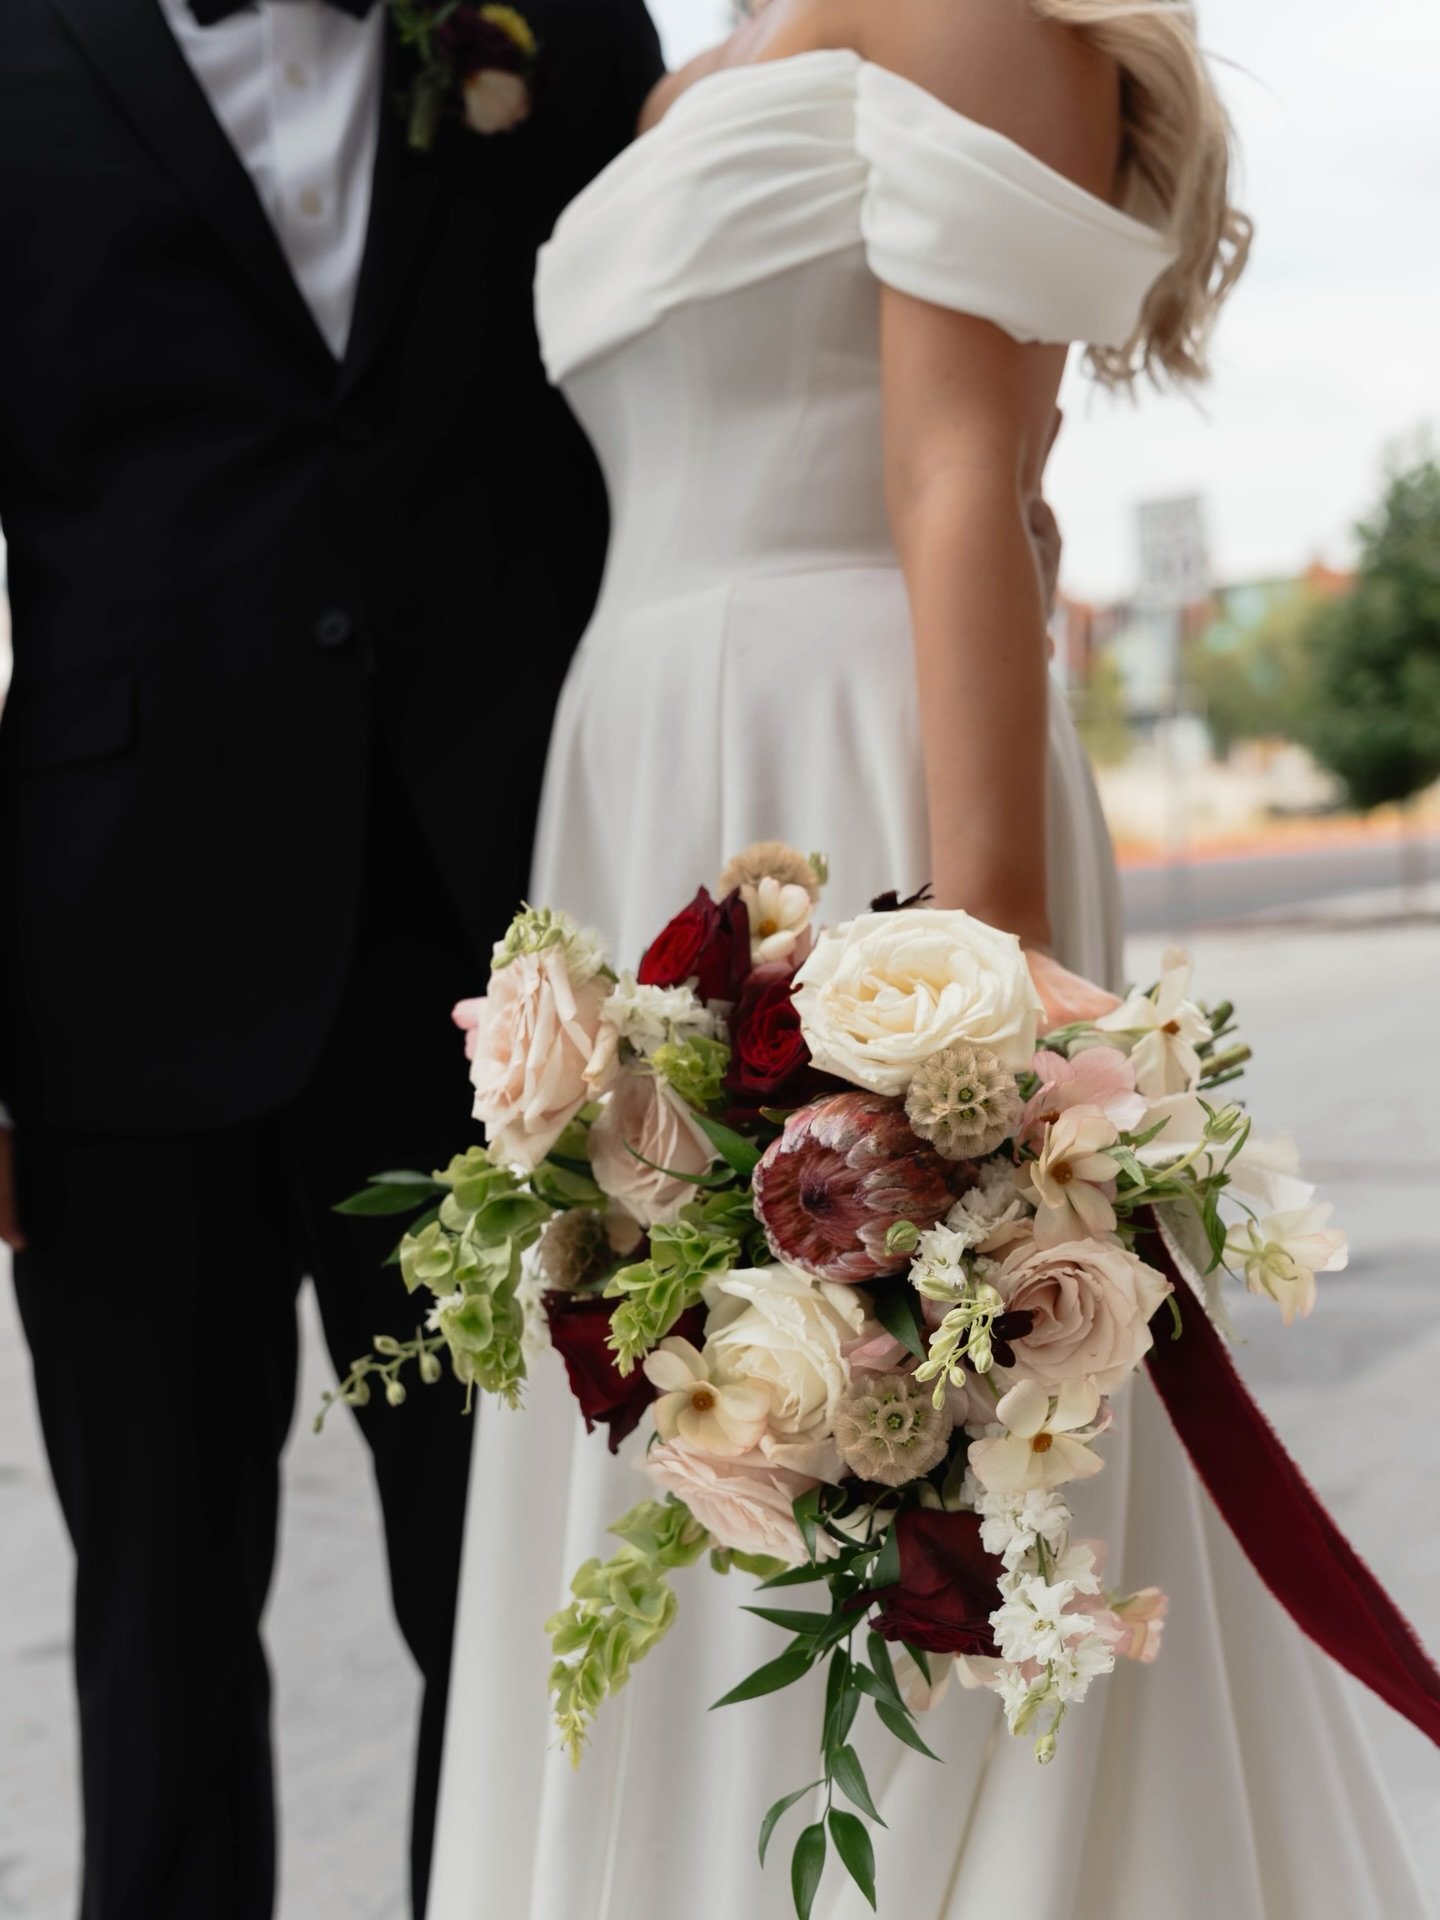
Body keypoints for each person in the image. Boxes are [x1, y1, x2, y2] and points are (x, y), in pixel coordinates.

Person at [427, 1, 1434, 1916]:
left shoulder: (976, 13)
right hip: (632, 758)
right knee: (686, 1416)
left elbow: (963, 486)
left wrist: (978, 1004)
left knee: (919, 1411)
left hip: (857, 744)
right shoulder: (675, 82)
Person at [0, 1, 664, 1914]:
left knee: (516, 1593)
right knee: (159, 1621)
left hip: (504, 965)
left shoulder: (562, 16)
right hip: (109, 976)